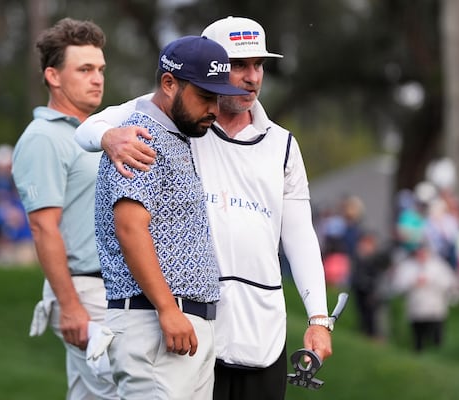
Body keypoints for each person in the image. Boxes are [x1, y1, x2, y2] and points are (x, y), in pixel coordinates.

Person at [76, 16, 333, 400]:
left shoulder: (281, 144)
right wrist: (110, 137)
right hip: (181, 323)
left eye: (258, 65)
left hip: (258, 326)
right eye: (238, 65)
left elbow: (298, 234)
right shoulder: (175, 121)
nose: (251, 77)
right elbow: (88, 130)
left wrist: (318, 318)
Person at [95, 35, 247, 399]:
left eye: (217, 97)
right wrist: (167, 308)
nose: (214, 108)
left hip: (181, 324)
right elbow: (130, 227)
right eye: (205, 96)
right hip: (154, 322)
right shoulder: (141, 138)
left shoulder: (177, 136)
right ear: (169, 83)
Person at [11, 18, 151, 399]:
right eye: (85, 69)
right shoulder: (43, 137)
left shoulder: (98, 133)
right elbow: (43, 229)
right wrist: (69, 305)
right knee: (126, 392)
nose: (97, 79)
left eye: (101, 69)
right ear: (53, 76)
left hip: (110, 287)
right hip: (85, 290)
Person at [389, 242, 459, 352]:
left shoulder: (438, 266)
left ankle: (438, 355)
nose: (421, 255)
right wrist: (412, 282)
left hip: (435, 309)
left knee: (437, 338)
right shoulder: (408, 267)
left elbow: (450, 282)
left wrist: (430, 282)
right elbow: (397, 285)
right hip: (416, 310)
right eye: (419, 253)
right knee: (418, 339)